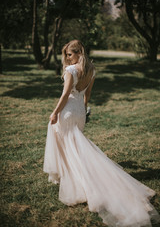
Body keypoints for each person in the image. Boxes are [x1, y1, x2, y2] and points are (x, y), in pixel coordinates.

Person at [43, 40, 160, 227]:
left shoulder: (71, 71)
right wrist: (84, 110)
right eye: (65, 54)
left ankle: (76, 180)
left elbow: (65, 95)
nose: (67, 58)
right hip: (79, 111)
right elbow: (87, 95)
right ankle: (74, 175)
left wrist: (55, 112)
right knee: (75, 145)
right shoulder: (92, 70)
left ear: (79, 52)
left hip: (68, 111)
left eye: (69, 54)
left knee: (66, 143)